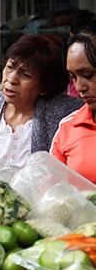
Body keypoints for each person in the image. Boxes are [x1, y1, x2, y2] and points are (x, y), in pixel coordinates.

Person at [0, 34, 83, 177]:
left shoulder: (62, 114)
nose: (11, 79)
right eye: (9, 67)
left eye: (25, 74)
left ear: (44, 87)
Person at [50, 30, 96, 184]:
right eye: (73, 77)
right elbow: (54, 191)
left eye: (88, 75)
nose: (79, 87)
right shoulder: (68, 128)